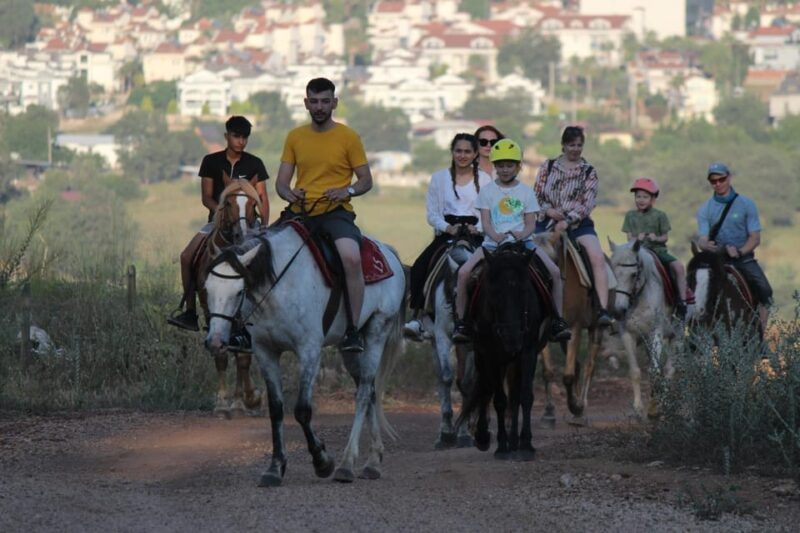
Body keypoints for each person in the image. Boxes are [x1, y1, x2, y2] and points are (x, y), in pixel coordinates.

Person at [275, 77, 373, 353]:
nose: (319, 107)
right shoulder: (295, 136)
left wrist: (348, 191)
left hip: (335, 213)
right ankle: (247, 327)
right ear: (306, 103)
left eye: (325, 101)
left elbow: (366, 180)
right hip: (300, 211)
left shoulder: (348, 137)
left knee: (351, 258)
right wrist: (287, 193)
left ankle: (353, 329)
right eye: (314, 101)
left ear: (334, 103)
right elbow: (282, 181)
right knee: (260, 251)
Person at [452, 139, 571, 343]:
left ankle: (557, 321)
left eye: (509, 165)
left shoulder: (526, 192)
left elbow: (531, 224)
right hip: (492, 243)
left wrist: (522, 235)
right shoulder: (488, 192)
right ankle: (463, 323)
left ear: (518, 166)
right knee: (463, 273)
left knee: (554, 272)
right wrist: (495, 235)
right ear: (495, 166)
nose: (505, 169)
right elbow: (486, 222)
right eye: (500, 165)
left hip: (523, 243)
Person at [167, 116, 269, 334]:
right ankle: (190, 312)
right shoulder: (211, 161)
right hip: (217, 220)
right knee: (186, 256)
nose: (240, 141)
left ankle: (267, 313)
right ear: (227, 136)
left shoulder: (255, 164)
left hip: (249, 225)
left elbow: (262, 197)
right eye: (236, 136)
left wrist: (264, 226)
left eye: (244, 137)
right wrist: (221, 214)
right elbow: (206, 197)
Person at [403, 133, 491, 341]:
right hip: (447, 231)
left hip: (475, 233)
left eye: (467, 151)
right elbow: (432, 213)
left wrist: (478, 227)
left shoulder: (485, 180)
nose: (462, 155)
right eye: (458, 151)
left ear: (475, 154)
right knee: (419, 266)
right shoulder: (439, 178)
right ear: (452, 152)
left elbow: (489, 210)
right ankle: (418, 317)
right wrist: (446, 227)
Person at [533, 125, 613, 327]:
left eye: (579, 145)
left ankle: (602, 308)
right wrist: (548, 211)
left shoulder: (589, 172)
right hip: (546, 222)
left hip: (578, 224)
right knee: (527, 253)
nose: (575, 149)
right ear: (563, 145)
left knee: (596, 256)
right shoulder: (547, 167)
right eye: (571, 145)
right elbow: (535, 195)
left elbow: (587, 203)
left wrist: (567, 221)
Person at [696, 162, 772, 333]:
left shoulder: (746, 204)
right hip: (717, 258)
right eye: (713, 181)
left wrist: (739, 251)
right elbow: (702, 238)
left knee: (765, 291)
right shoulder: (705, 209)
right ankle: (694, 332)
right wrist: (705, 245)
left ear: (729, 178)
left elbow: (755, 237)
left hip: (743, 258)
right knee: (695, 285)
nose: (718, 184)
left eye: (721, 179)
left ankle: (760, 336)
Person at [622, 178, 689, 319]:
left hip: (657, 250)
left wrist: (656, 238)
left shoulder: (660, 215)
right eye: (638, 196)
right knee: (620, 266)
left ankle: (682, 301)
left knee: (678, 267)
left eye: (645, 197)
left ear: (653, 199)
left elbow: (665, 238)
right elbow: (629, 238)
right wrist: (636, 239)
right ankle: (618, 301)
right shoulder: (630, 215)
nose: (641, 200)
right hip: (636, 251)